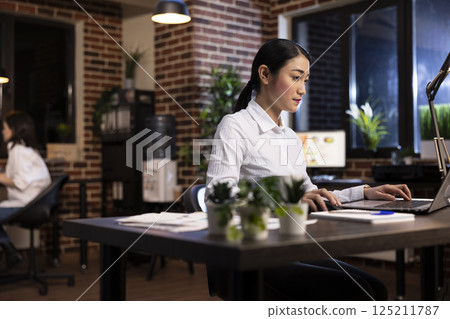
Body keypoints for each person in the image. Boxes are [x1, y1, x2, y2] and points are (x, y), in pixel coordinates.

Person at [205, 38, 412, 301]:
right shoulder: (235, 126)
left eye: (306, 80)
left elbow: (310, 194)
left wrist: (364, 192)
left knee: (376, 288)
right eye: (296, 78)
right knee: (357, 293)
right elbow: (217, 197)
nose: (302, 89)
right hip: (252, 252)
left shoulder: (290, 137)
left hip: (288, 246)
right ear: (265, 74)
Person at [0, 111, 51, 271]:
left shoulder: (19, 151)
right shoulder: (25, 150)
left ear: (14, 129)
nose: (2, 132)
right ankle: (10, 252)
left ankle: (11, 251)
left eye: (5, 128)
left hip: (28, 205)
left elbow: (20, 182)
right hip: (35, 203)